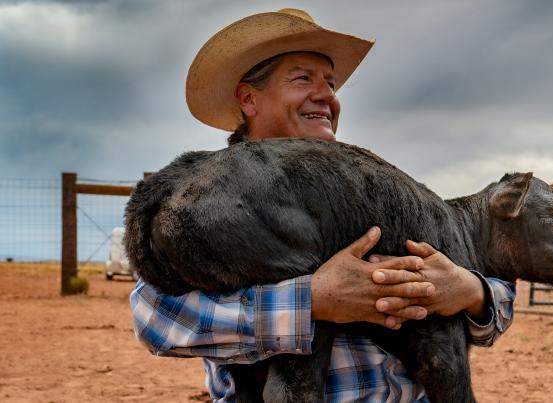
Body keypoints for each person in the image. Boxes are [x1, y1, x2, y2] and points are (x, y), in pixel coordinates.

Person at [130, 8, 515, 402]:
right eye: (303, 79)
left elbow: (494, 307)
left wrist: (469, 290)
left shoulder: (367, 187)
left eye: (331, 84)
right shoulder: (210, 198)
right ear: (249, 98)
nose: (327, 95)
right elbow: (155, 319)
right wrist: (314, 300)